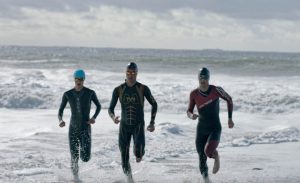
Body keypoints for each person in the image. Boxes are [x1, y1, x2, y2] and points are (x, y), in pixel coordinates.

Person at [108, 62, 157, 180]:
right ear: (125, 73)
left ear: (137, 73)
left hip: (138, 126)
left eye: (133, 72)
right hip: (124, 127)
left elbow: (154, 104)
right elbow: (110, 109)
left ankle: (140, 153)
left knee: (138, 153)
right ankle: (130, 180)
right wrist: (113, 118)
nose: (131, 75)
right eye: (129, 72)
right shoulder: (118, 90)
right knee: (124, 159)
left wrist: (152, 122)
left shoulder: (143, 88)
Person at [187, 67, 234, 182]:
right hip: (201, 129)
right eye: (201, 78)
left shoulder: (216, 90)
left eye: (205, 78)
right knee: (201, 158)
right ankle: (206, 180)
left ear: (208, 78)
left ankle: (216, 156)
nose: (203, 81)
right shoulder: (194, 94)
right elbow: (188, 111)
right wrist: (191, 115)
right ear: (198, 78)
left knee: (208, 151)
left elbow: (229, 99)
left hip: (214, 128)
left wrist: (230, 119)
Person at [58, 69, 101, 178]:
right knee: (74, 156)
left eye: (81, 79)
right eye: (77, 79)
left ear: (84, 80)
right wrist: (61, 120)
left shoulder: (90, 93)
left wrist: (94, 117)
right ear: (74, 79)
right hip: (73, 128)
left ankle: (78, 170)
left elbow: (99, 106)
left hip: (85, 128)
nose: (79, 81)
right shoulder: (67, 94)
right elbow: (60, 110)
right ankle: (76, 178)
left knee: (85, 158)